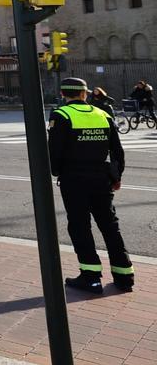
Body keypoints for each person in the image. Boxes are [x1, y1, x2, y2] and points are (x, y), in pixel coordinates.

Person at [48, 77, 133, 294]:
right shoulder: (103, 114)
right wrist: (116, 177)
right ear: (85, 94)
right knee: (109, 225)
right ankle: (125, 276)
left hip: (74, 179)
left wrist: (57, 171)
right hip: (101, 178)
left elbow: (54, 153)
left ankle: (91, 277)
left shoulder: (62, 115)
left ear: (63, 94)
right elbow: (117, 151)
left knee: (80, 225)